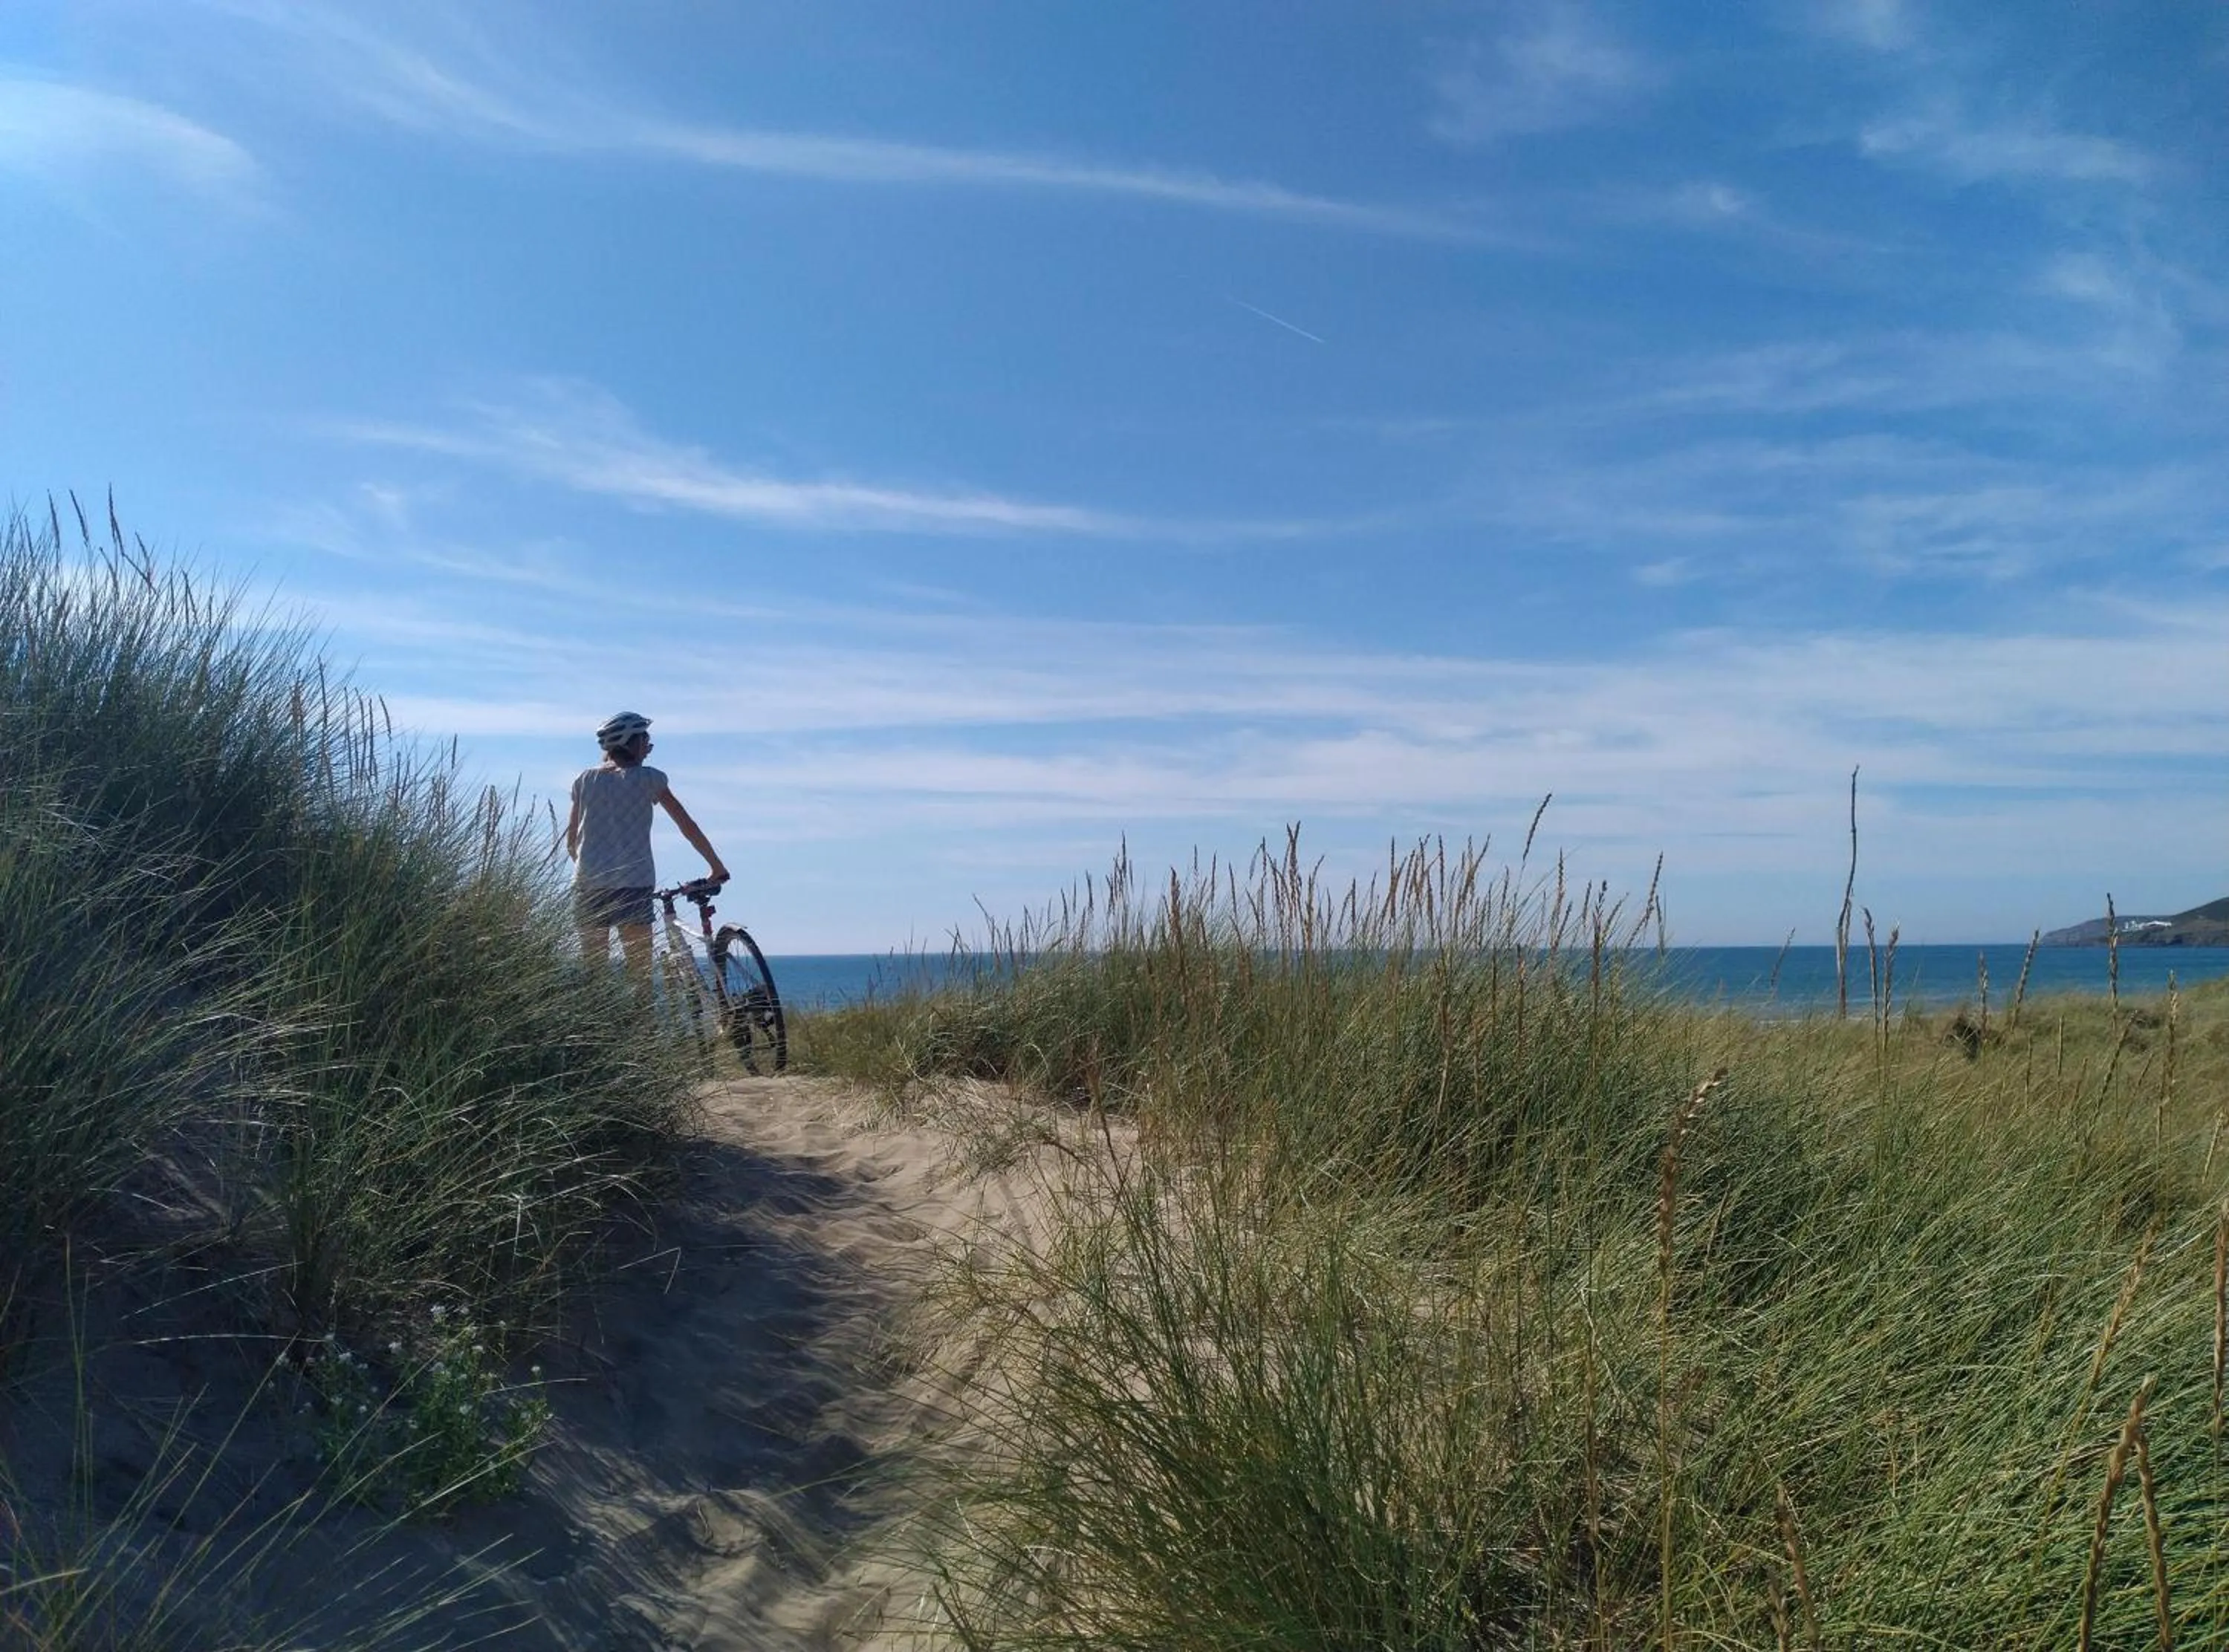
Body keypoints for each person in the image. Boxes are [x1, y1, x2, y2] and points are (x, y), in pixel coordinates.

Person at [565, 711, 728, 976]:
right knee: (639, 977)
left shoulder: (583, 781)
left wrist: (592, 866)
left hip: (589, 885)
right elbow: (687, 826)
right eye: (646, 743)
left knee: (594, 976)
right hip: (634, 883)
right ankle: (641, 1019)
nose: (648, 750)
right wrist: (716, 866)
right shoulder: (649, 778)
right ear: (634, 743)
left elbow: (572, 842)